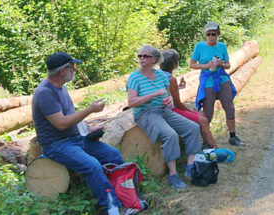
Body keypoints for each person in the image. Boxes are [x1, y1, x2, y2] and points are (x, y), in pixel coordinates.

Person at [32, 52, 126, 211]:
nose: (75, 70)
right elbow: (61, 124)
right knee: (92, 165)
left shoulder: (60, 87)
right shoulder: (45, 93)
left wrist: (87, 129)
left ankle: (127, 195)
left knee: (113, 155)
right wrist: (90, 110)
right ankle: (111, 207)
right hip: (57, 145)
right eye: (72, 66)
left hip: (75, 138)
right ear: (63, 71)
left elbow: (70, 115)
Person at [127, 45, 201, 190]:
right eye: (139, 56)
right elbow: (131, 102)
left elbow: (168, 96)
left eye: (145, 56)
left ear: (154, 59)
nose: (141, 58)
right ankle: (173, 175)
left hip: (164, 110)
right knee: (170, 134)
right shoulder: (135, 77)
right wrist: (153, 95)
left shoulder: (161, 76)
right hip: (146, 113)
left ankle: (190, 166)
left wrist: (169, 101)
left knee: (193, 127)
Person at [190, 22, 244, 146]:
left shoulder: (221, 46)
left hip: (222, 79)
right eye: (208, 34)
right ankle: (206, 142)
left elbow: (228, 64)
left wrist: (221, 64)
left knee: (229, 107)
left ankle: (233, 136)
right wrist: (206, 65)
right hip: (208, 80)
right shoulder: (199, 47)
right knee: (208, 111)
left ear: (218, 34)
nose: (211, 37)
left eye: (213, 34)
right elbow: (192, 64)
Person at [160, 49, 218, 149]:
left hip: (162, 107)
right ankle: (215, 148)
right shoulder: (170, 79)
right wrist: (190, 111)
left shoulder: (157, 74)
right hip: (170, 110)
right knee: (203, 120)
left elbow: (165, 91)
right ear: (174, 64)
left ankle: (207, 143)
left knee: (199, 116)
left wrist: (177, 88)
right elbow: (177, 103)